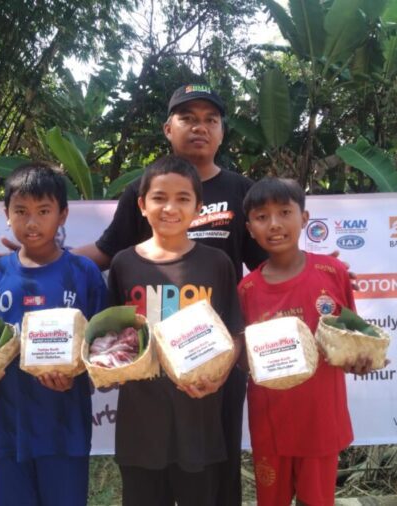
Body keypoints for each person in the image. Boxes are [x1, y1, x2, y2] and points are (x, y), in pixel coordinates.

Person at [73, 83, 264, 505]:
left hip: (215, 365)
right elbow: (107, 252)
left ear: (222, 131)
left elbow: (267, 263)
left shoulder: (242, 191)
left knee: (215, 472)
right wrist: (45, 257)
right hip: (150, 382)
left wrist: (316, 270)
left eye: (210, 119)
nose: (200, 127)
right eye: (188, 118)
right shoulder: (141, 192)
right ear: (168, 128)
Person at [0, 161, 107, 506]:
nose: (32, 222)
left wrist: (75, 374)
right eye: (21, 211)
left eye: (43, 211)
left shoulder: (84, 273)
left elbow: (100, 352)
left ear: (63, 215)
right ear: (6, 214)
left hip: (64, 429)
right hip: (5, 428)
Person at [107, 155, 244, 506]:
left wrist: (221, 374)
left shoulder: (217, 263)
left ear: (198, 208)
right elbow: (111, 339)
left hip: (199, 420)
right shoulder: (123, 263)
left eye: (183, 198)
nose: (170, 208)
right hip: (140, 426)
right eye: (159, 198)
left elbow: (235, 333)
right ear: (142, 205)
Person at [238, 177, 373, 506]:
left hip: (320, 421)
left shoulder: (333, 272)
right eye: (262, 217)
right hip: (270, 423)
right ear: (250, 229)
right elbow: (243, 361)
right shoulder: (247, 290)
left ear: (304, 218)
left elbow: (352, 340)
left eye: (285, 212)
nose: (274, 224)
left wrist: (360, 360)